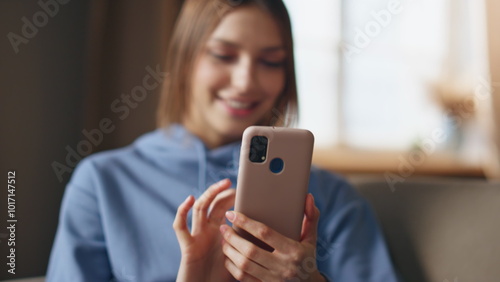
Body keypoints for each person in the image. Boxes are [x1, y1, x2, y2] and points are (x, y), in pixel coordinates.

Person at [47, 0, 400, 281]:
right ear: (184, 60)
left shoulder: (330, 197)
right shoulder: (102, 182)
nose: (246, 81)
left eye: (271, 61)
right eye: (223, 55)